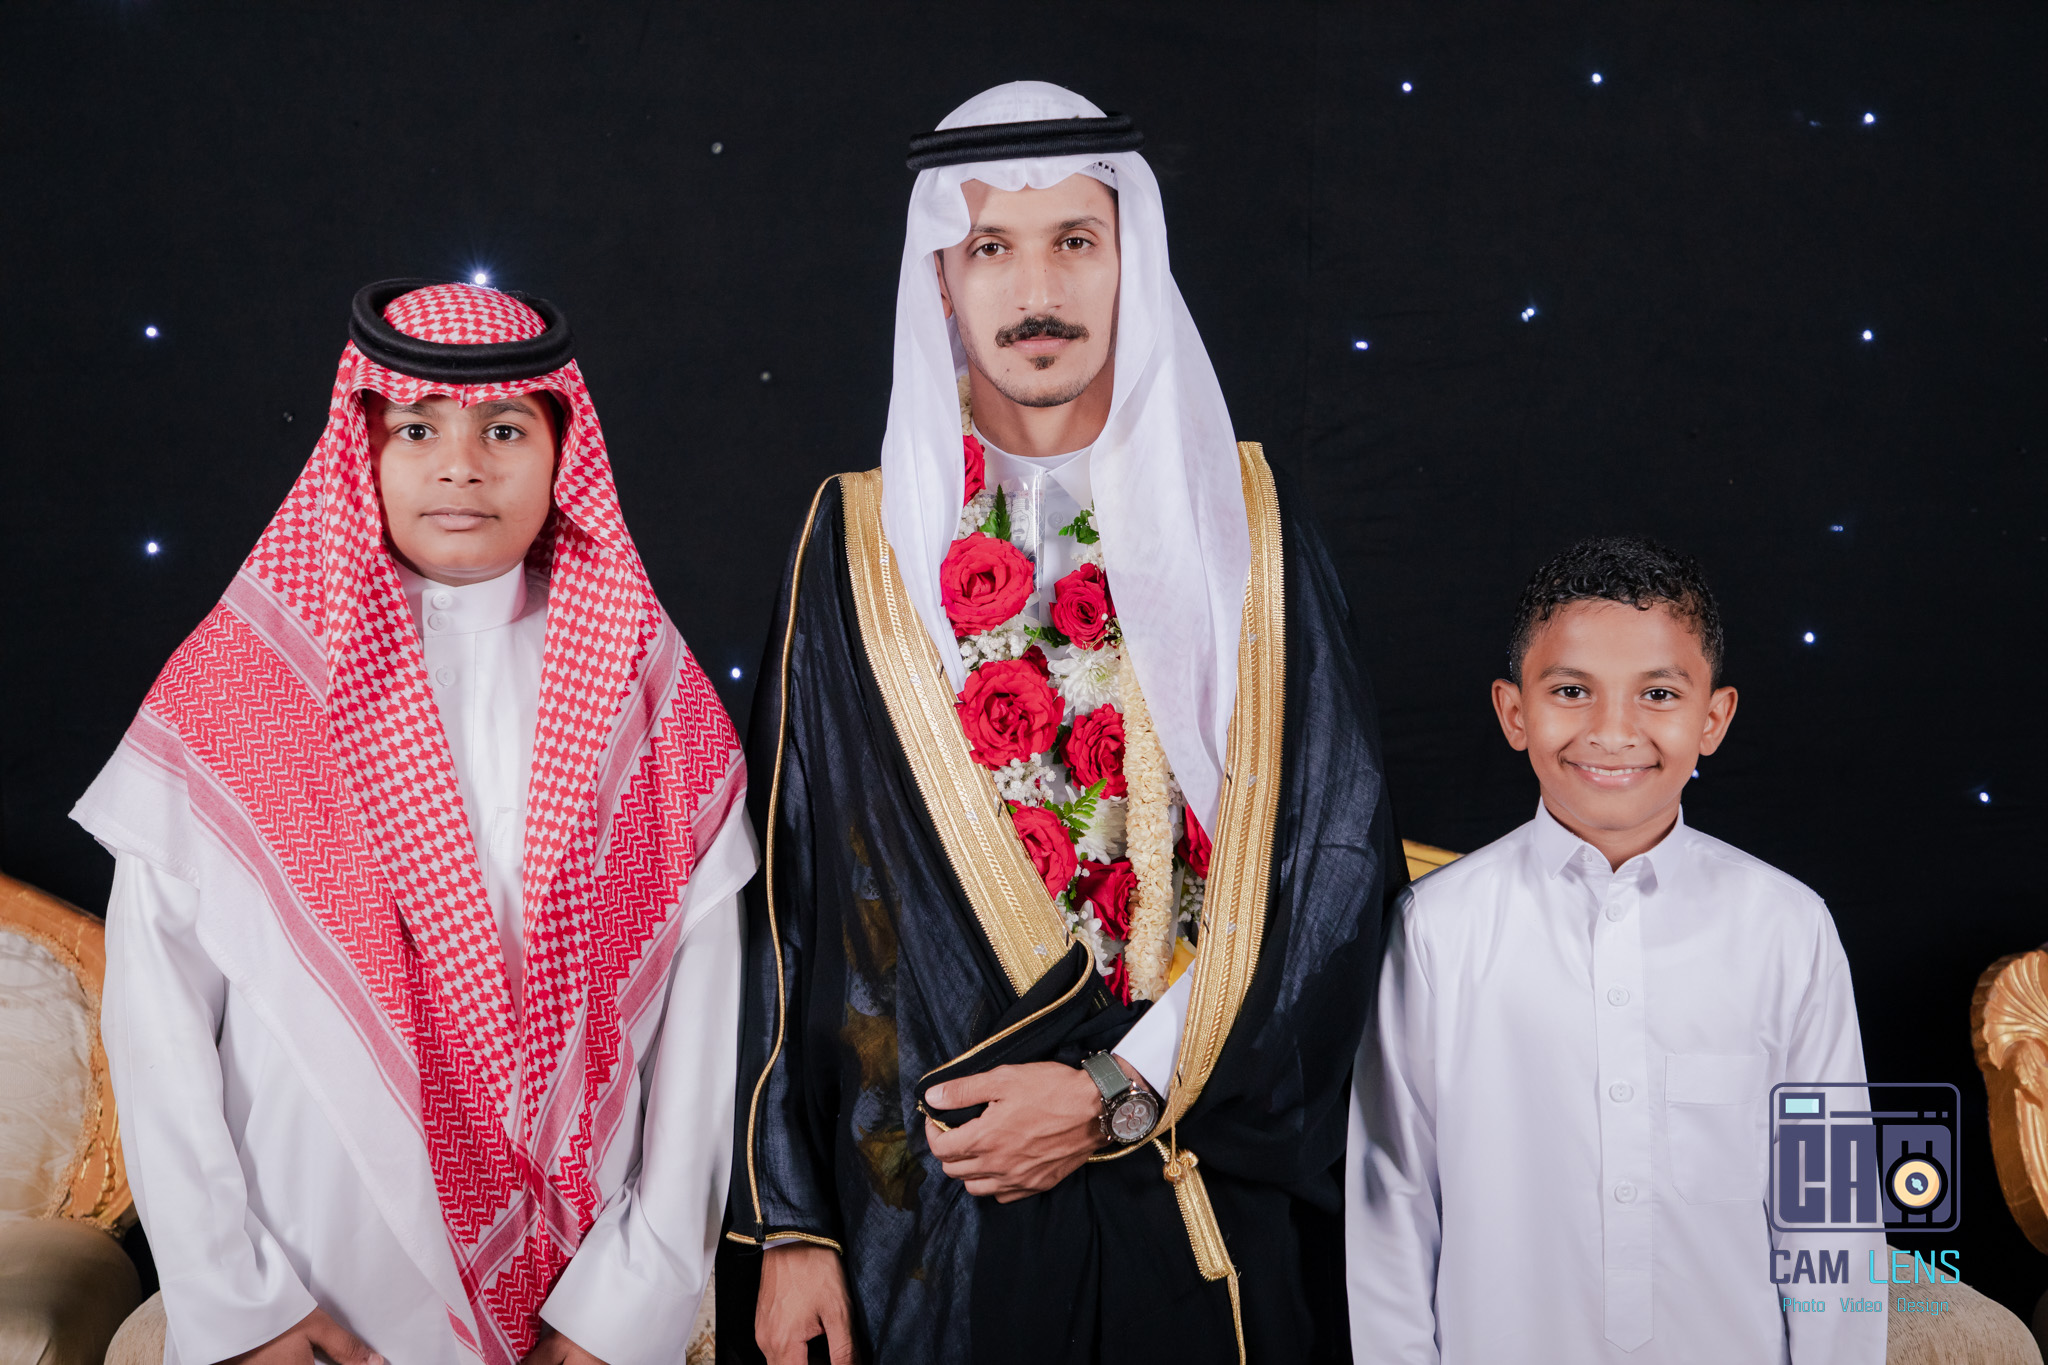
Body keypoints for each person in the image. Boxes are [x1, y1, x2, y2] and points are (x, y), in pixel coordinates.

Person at [723, 82, 1402, 1365]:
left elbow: (1332, 865)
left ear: (1129, 260)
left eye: (1074, 241)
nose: (1036, 290)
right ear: (940, 280)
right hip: (927, 1218)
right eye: (991, 246)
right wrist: (793, 1225)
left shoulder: (1247, 526)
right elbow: (791, 903)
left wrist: (1113, 1092)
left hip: (1189, 1171)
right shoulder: (856, 544)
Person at [72, 280, 752, 1365]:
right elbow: (156, 1016)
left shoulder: (645, 688)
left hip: (577, 1296)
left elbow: (700, 1018)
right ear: (363, 449)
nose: (461, 466)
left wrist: (627, 1308)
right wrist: (240, 1302)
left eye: (504, 430)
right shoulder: (245, 680)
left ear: (562, 452)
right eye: (418, 429)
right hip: (307, 1285)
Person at [1345, 537, 1883, 1364]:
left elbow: (1832, 1215)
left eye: (1658, 693)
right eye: (1571, 690)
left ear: (1713, 718)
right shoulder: (1436, 930)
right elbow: (1392, 1206)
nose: (1612, 731)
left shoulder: (1787, 929)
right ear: (1513, 711)